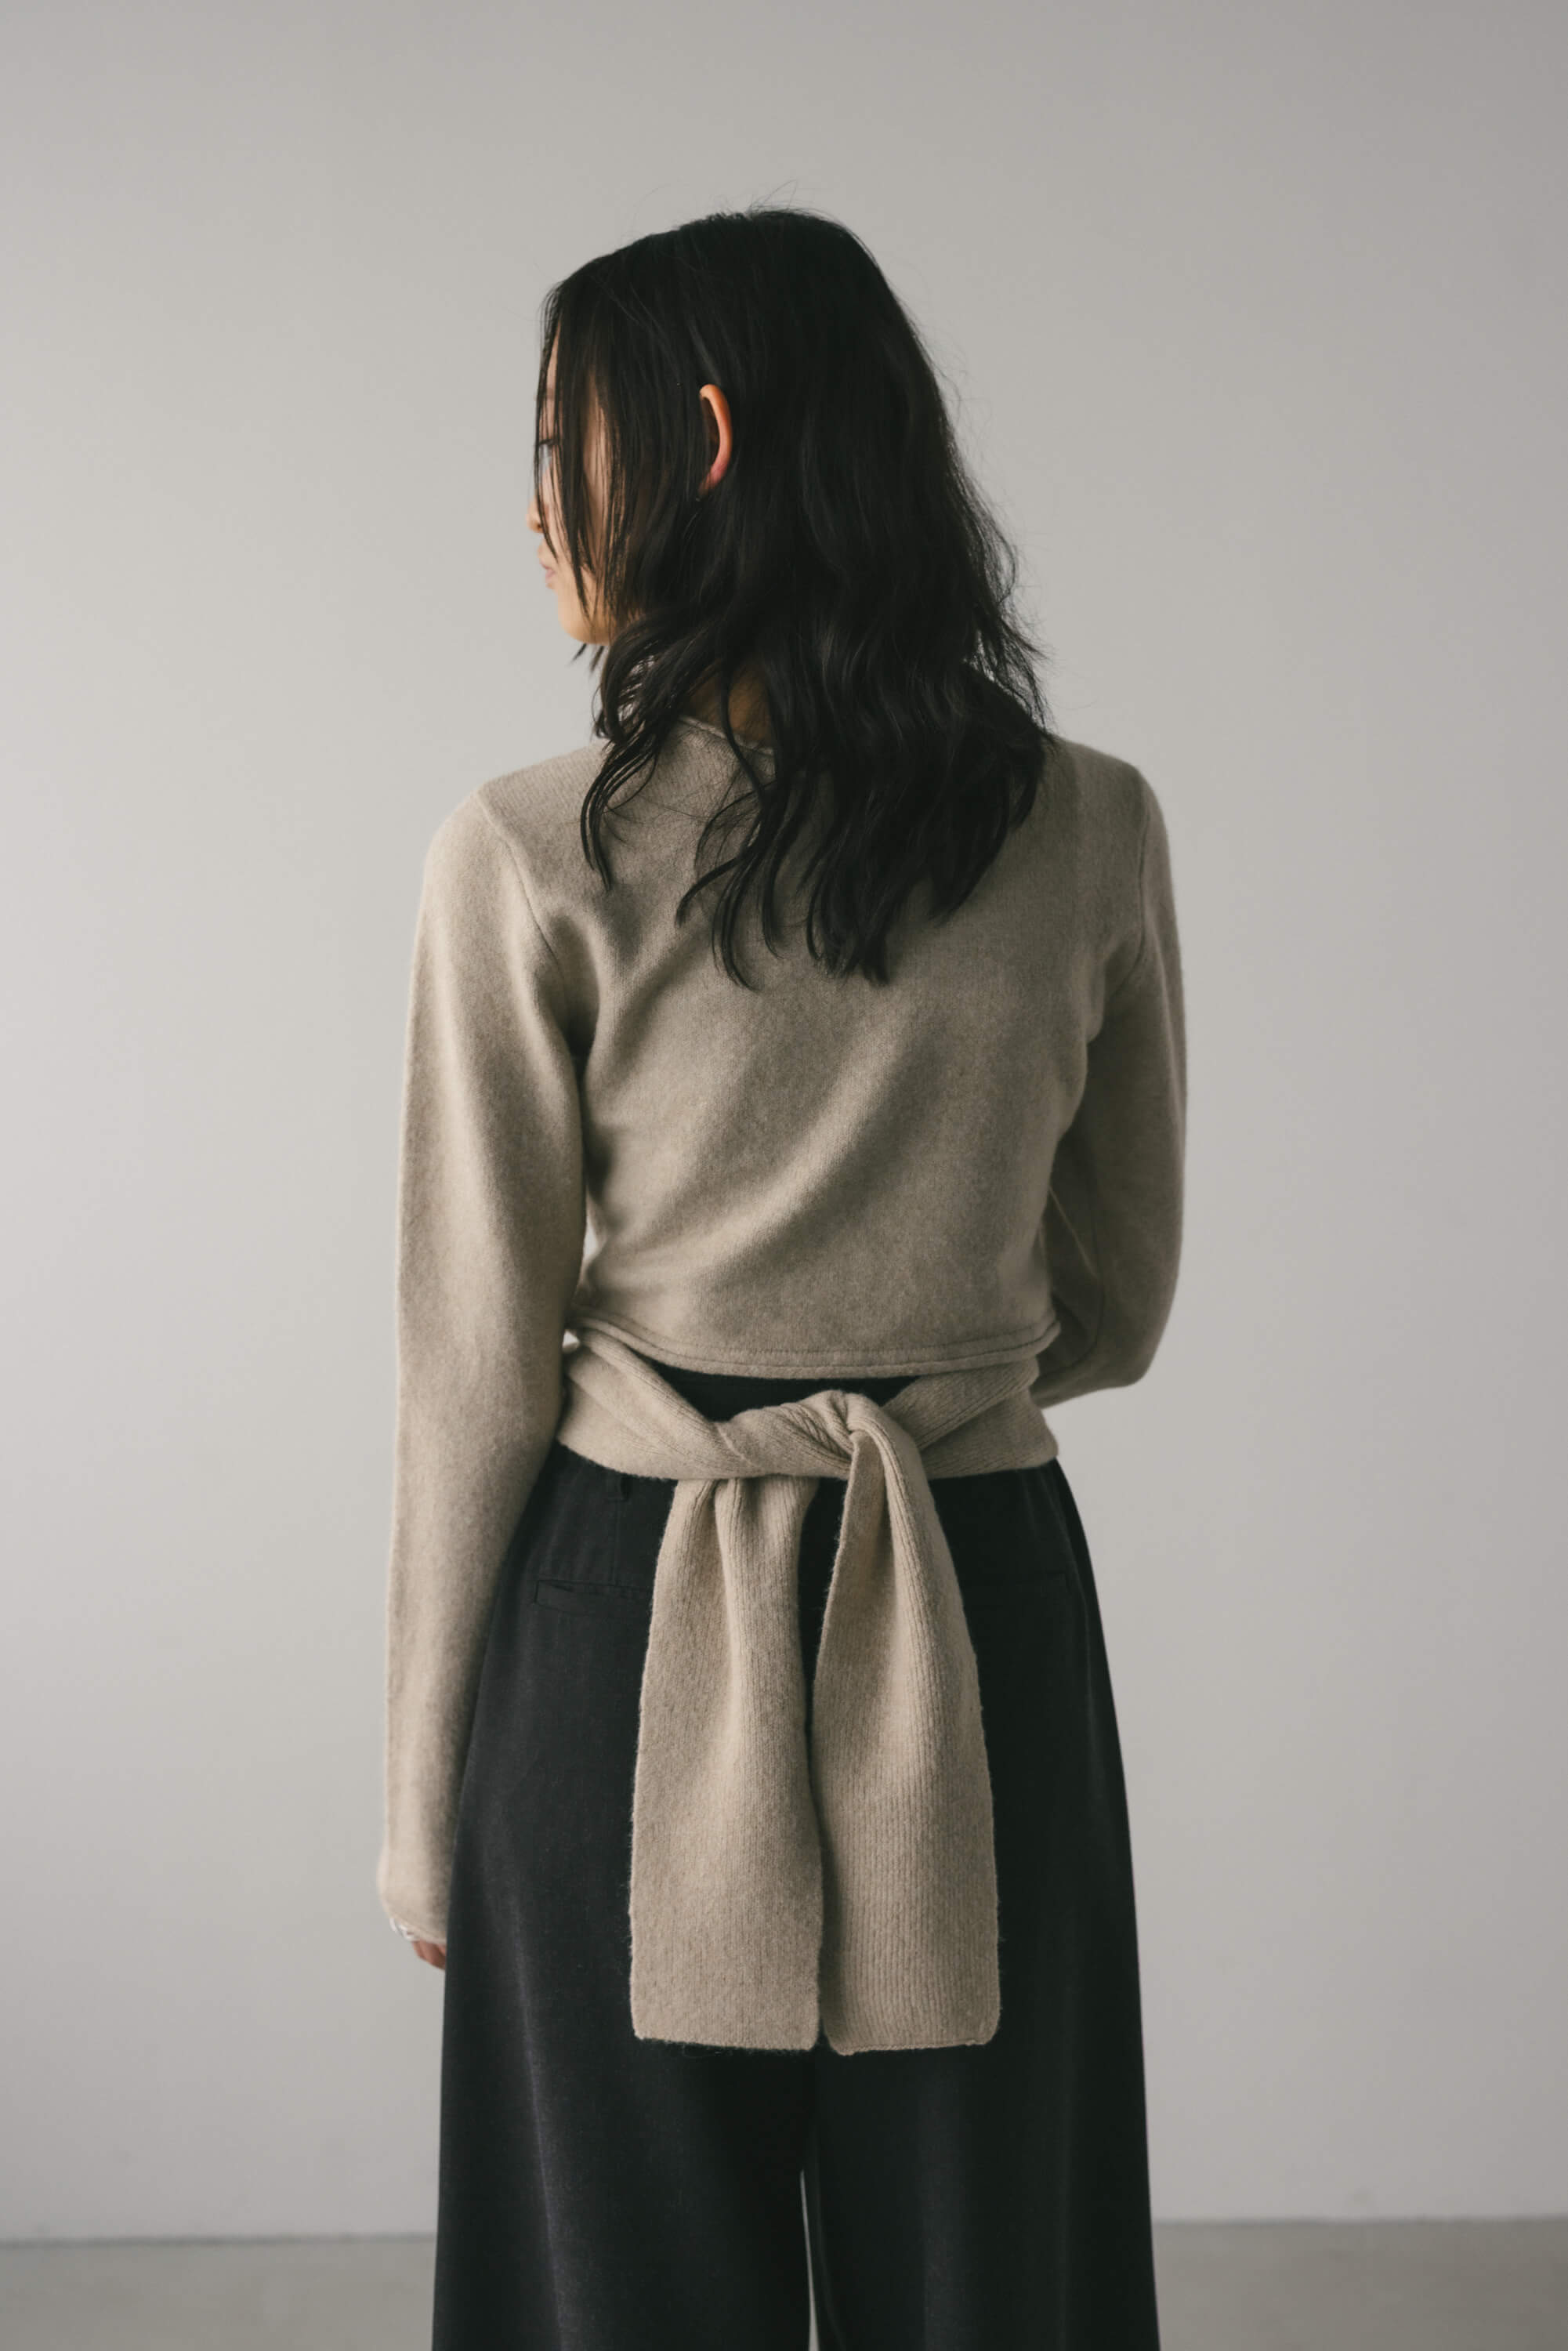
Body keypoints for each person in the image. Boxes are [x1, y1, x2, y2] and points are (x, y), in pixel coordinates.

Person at [376, 203, 1186, 2349]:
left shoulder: (528, 851)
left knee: (612, 2290)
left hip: (620, 1621)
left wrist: (420, 1800)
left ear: (702, 441)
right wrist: (906, 1387)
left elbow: (474, 1370)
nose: (533, 506)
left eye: (556, 444)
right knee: (995, 2278)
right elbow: (1116, 1300)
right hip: (970, 1600)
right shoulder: (1092, 828)